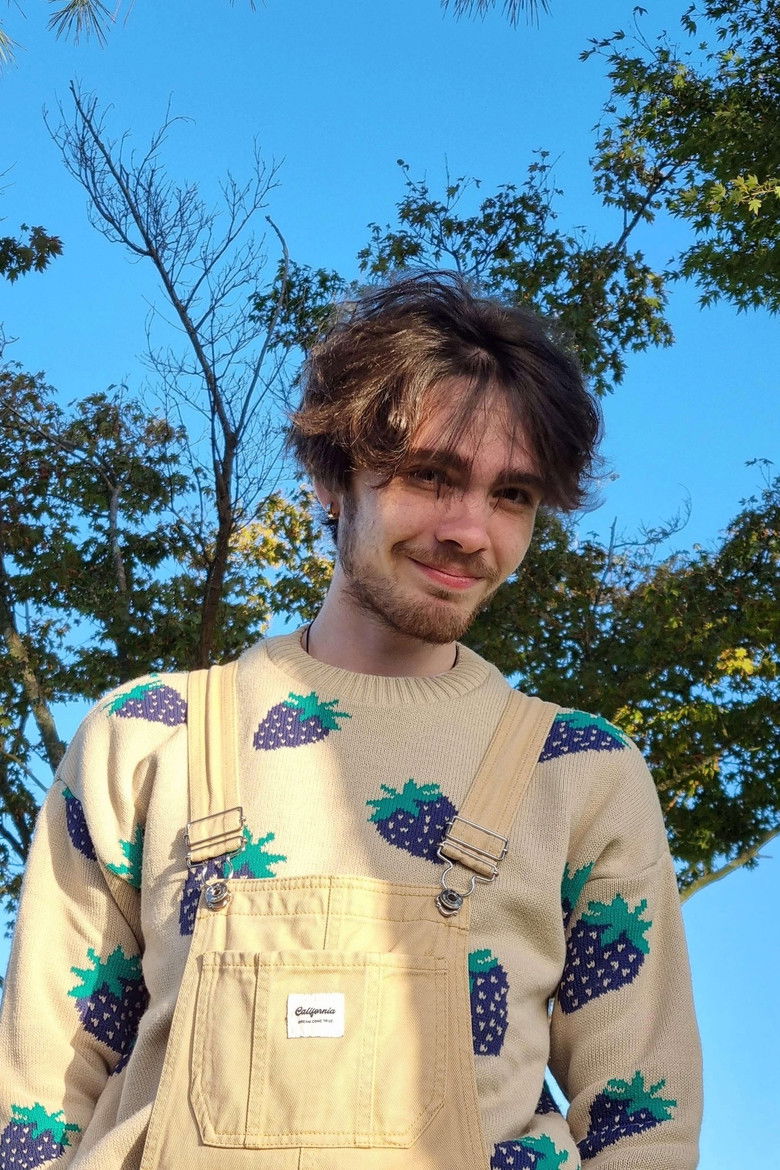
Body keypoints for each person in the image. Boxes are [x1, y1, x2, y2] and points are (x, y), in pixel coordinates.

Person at [0, 272, 702, 1169]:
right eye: (432, 476)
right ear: (332, 479)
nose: (470, 530)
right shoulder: (145, 737)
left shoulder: (581, 770)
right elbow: (35, 1103)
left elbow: (643, 1126)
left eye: (513, 496)